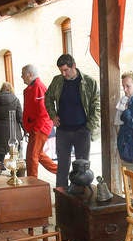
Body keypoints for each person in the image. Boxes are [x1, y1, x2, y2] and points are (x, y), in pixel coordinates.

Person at [45, 54, 100, 187]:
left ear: (73, 66)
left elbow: (96, 105)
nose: (63, 74)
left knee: (82, 169)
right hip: (63, 131)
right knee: (62, 167)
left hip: (82, 131)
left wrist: (89, 126)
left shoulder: (89, 82)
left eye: (66, 70)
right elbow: (48, 97)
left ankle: (82, 198)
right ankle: (61, 198)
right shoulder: (57, 81)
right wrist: (52, 115)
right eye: (61, 71)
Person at [21, 64, 58, 177]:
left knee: (32, 156)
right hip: (34, 127)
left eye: (23, 74)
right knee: (38, 153)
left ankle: (32, 182)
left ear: (30, 74)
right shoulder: (31, 88)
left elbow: (44, 111)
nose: (21, 76)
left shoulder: (39, 87)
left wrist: (36, 129)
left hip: (40, 127)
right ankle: (62, 171)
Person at [0, 82, 23, 163]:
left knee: (0, 153)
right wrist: (25, 129)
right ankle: (15, 171)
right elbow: (20, 116)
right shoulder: (15, 99)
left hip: (1, 129)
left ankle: (0, 168)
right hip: (14, 129)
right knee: (15, 152)